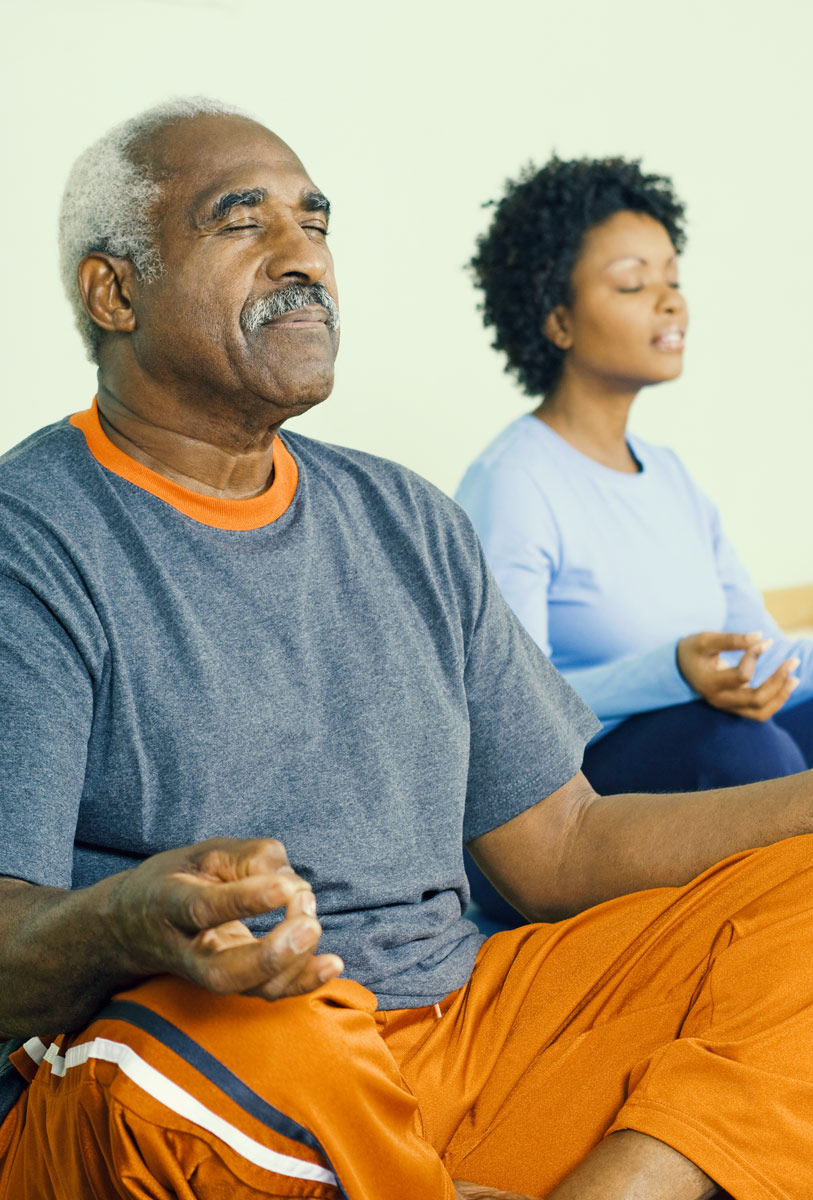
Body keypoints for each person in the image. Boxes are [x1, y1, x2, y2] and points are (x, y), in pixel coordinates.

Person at [2, 102, 813, 1200]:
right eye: (242, 222)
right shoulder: (32, 537)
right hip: (244, 1057)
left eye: (315, 223)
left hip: (467, 1029)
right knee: (178, 1053)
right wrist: (126, 921)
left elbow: (563, 848)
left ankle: (618, 1186)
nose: (304, 257)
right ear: (115, 292)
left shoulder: (410, 519)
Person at [455, 157, 813, 924]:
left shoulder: (671, 475)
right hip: (563, 808)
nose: (669, 299)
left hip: (700, 746)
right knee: (746, 753)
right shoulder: (512, 481)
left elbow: (763, 653)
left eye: (671, 278)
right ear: (557, 320)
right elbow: (505, 715)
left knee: (773, 734)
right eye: (631, 284)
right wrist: (671, 672)